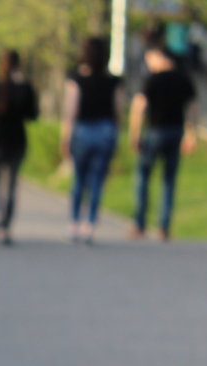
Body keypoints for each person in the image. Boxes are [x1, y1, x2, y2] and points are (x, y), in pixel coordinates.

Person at [128, 44, 199, 241]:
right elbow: (192, 107)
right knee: (169, 181)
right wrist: (191, 134)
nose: (148, 63)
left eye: (150, 58)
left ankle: (140, 224)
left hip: (155, 133)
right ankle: (163, 226)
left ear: (160, 56)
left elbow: (139, 107)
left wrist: (135, 134)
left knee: (143, 177)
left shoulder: (152, 79)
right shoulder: (184, 79)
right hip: (175, 133)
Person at [61, 37, 124, 244]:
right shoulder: (114, 81)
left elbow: (71, 111)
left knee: (79, 179)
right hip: (105, 131)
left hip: (83, 131)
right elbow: (118, 110)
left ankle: (74, 223)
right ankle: (89, 224)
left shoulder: (77, 79)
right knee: (97, 180)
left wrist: (65, 137)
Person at [0, 49, 38, 246]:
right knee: (12, 185)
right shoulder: (25, 87)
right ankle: (5, 226)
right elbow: (33, 115)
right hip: (18, 140)